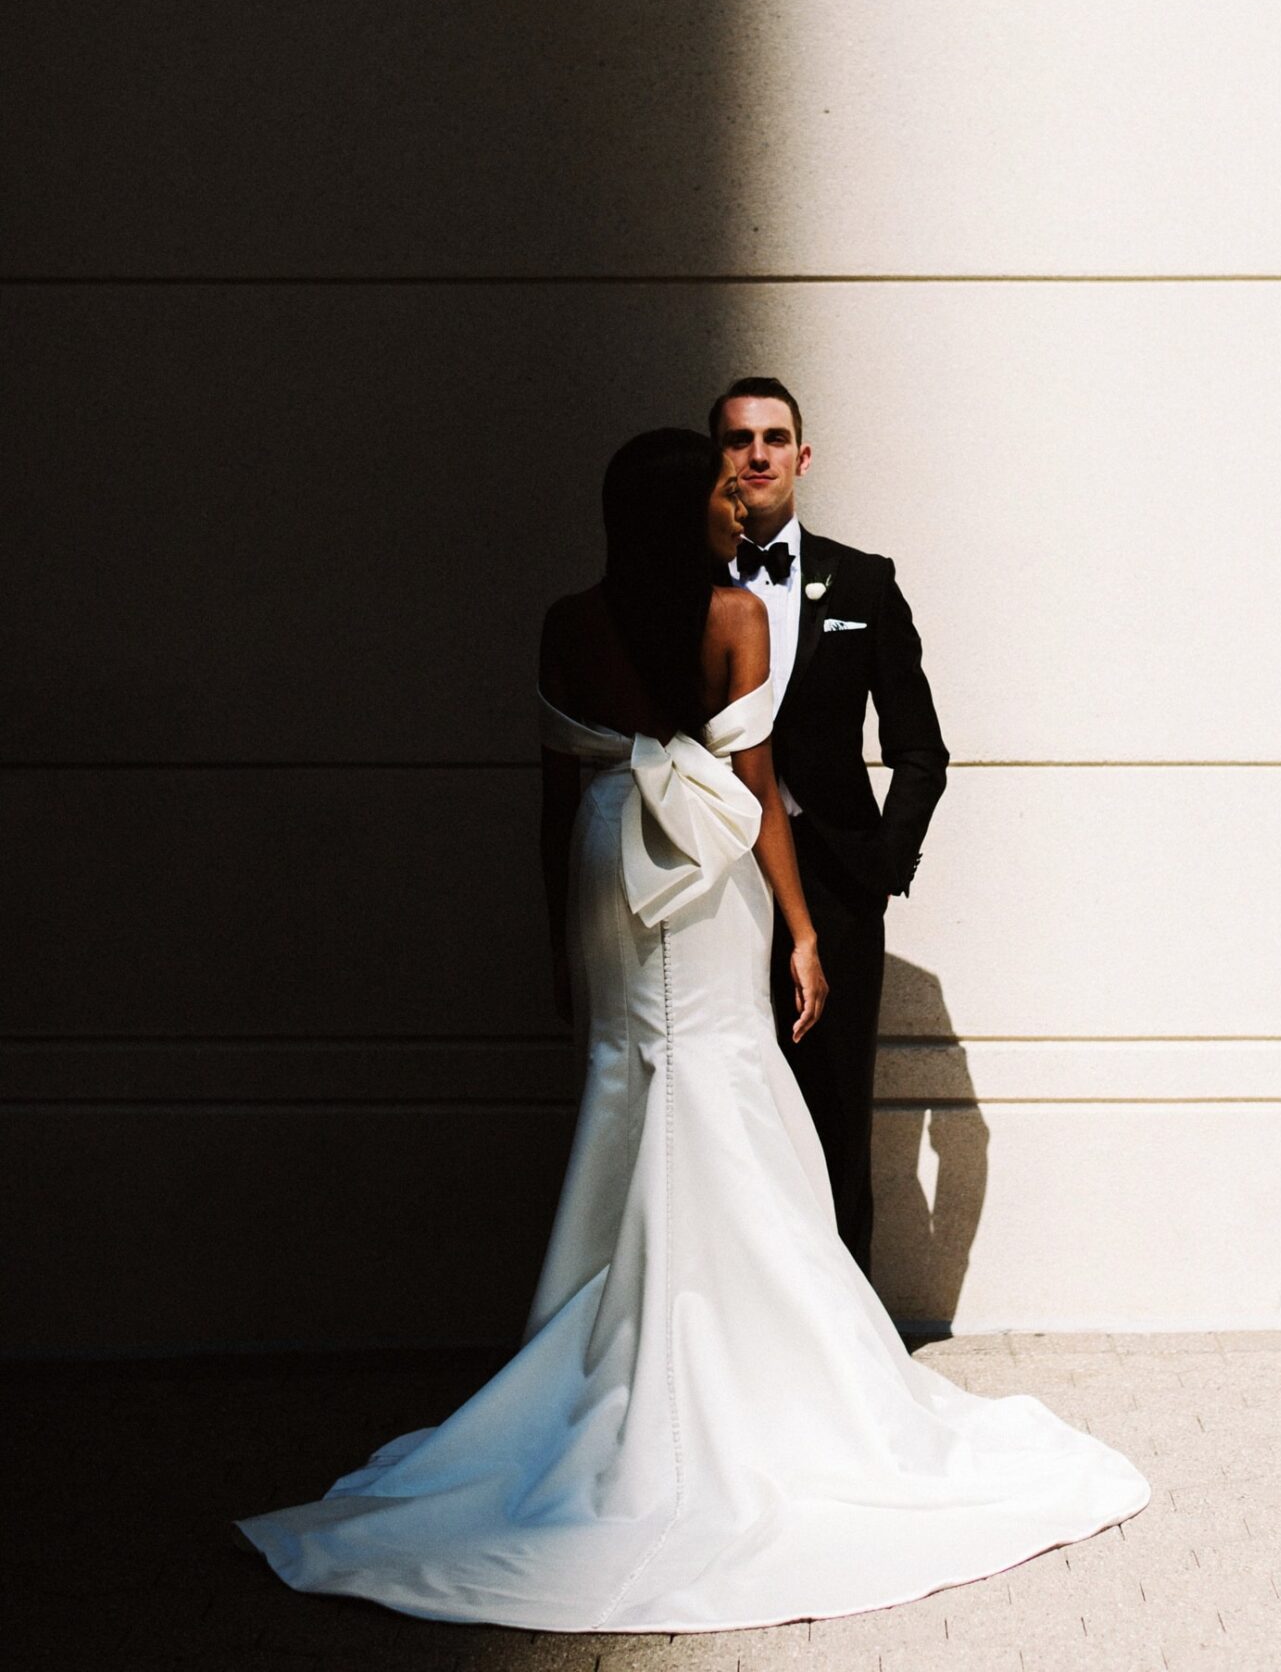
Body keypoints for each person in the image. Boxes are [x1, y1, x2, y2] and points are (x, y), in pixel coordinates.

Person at [234, 429, 1148, 1630]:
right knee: (719, 1077)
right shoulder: (735, 615)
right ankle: (749, 1368)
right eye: (723, 487)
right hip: (707, 864)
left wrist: (560, 931)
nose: (739, 498)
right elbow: (756, 787)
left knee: (632, 1082)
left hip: (608, 869)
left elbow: (555, 788)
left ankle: (614, 1353)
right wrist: (804, 929)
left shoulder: (569, 620)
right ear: (686, 512)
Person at [712, 375, 946, 1272]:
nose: (758, 455)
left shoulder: (865, 582)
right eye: (740, 440)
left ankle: (853, 1340)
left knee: (837, 1102)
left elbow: (921, 749)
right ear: (720, 458)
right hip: (718, 874)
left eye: (775, 438)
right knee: (735, 1101)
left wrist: (882, 861)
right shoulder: (687, 587)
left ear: (802, 457)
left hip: (838, 886)